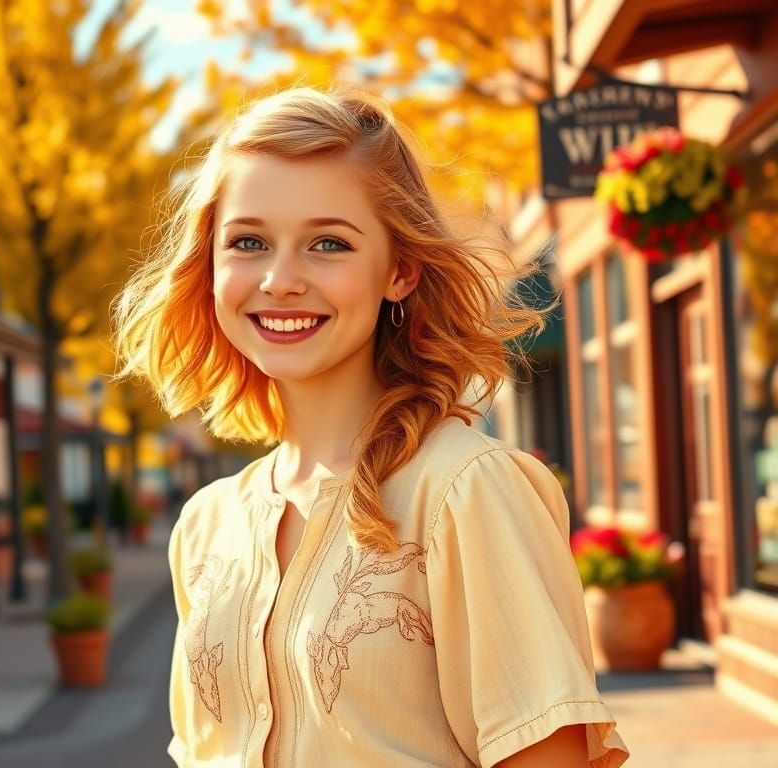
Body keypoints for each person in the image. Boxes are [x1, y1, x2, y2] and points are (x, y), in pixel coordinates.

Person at [113, 87, 629, 768]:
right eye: (248, 242)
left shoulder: (467, 492)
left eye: (328, 243)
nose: (280, 279)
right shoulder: (206, 527)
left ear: (400, 271)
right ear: (209, 264)